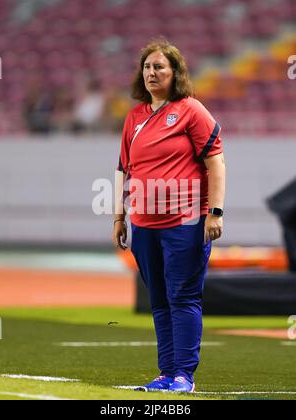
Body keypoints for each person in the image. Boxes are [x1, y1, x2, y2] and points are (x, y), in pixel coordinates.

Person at [113, 39, 226, 393]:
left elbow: (216, 162)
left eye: (159, 67)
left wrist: (215, 212)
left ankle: (184, 376)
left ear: (175, 72)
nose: (152, 73)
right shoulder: (134, 116)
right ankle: (166, 373)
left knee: (183, 297)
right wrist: (119, 216)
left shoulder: (192, 110)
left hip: (185, 223)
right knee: (159, 301)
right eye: (147, 67)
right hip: (144, 225)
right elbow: (122, 169)